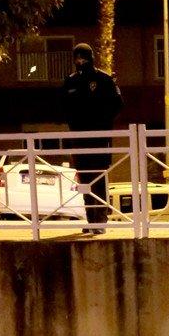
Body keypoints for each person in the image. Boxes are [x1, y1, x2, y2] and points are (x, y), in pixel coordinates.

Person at [62, 42, 124, 235]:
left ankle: (101, 219)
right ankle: (90, 219)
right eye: (77, 58)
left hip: (99, 138)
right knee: (85, 180)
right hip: (79, 138)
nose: (80, 61)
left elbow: (118, 104)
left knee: (98, 178)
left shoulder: (104, 79)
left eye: (83, 57)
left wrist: (103, 123)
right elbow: (62, 107)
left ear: (91, 58)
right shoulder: (70, 81)